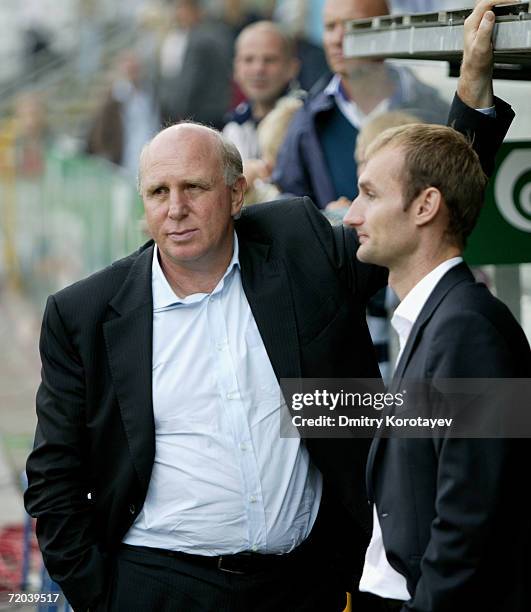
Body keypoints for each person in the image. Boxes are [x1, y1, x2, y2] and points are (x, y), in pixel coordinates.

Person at [24, 2, 514, 609]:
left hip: (306, 584)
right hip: (158, 588)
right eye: (158, 192)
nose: (175, 209)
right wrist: (102, 596)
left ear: (236, 195)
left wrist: (471, 92)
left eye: (195, 189)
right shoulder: (85, 314)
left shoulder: (297, 245)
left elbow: (426, 212)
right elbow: (53, 480)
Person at [343, 6, 531, 611]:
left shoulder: (471, 332)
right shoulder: (436, 321)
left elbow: (471, 527)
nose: (350, 214)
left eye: (369, 194)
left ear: (424, 208)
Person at [271, 0, 449, 210]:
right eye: (330, 27)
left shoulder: (432, 111)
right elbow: (288, 203)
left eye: (351, 26)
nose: (337, 39)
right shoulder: (308, 120)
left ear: (386, 32)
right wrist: (326, 221)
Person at [223, 21, 301, 186]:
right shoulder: (233, 128)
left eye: (270, 60)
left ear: (292, 67)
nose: (258, 68)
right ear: (236, 69)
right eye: (249, 59)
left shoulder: (307, 120)